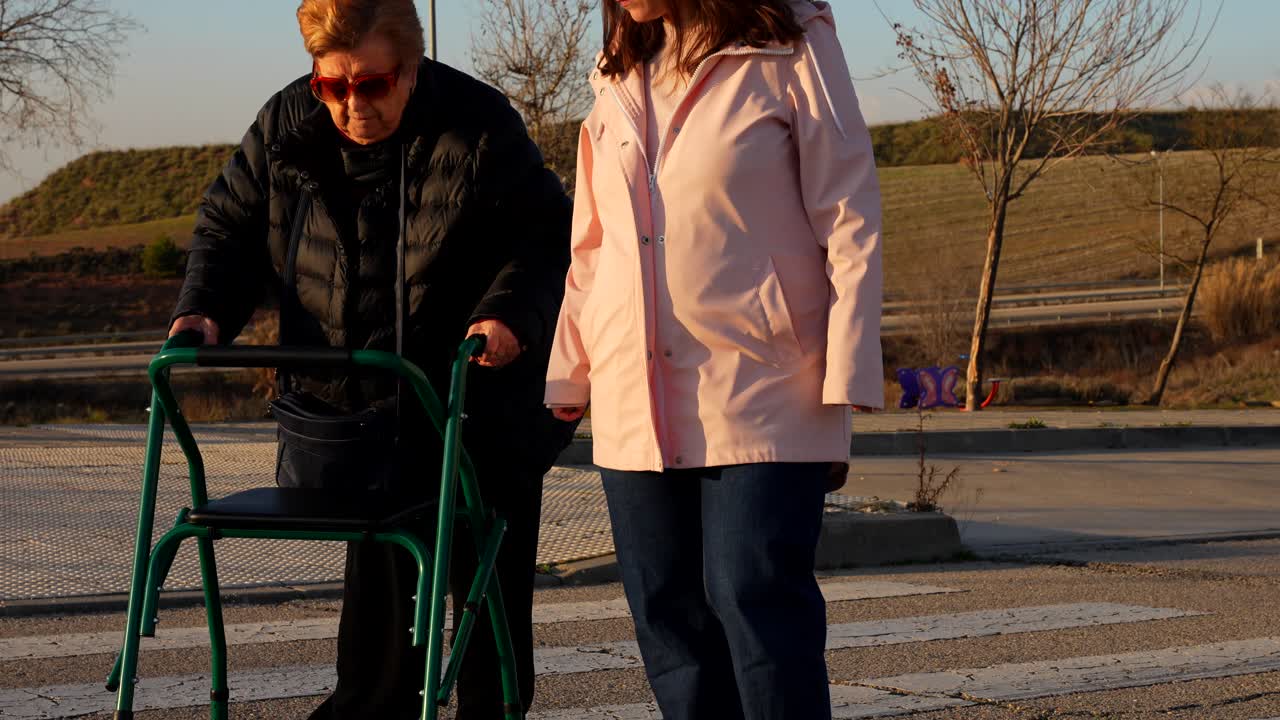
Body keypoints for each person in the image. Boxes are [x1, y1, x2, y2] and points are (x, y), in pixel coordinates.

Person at [167, 1, 575, 717]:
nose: (352, 106)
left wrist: (507, 314)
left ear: (410, 67)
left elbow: (544, 240)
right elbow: (229, 226)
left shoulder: (479, 123)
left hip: (477, 401)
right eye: (332, 86)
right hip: (359, 415)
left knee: (485, 598)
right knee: (382, 611)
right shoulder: (287, 121)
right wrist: (204, 310)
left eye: (373, 85)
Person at [545, 0, 883, 717]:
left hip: (768, 386)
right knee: (667, 616)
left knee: (752, 597)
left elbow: (850, 212)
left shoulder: (790, 42)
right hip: (633, 395)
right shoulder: (617, 73)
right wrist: (568, 370)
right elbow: (593, 244)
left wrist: (850, 367)